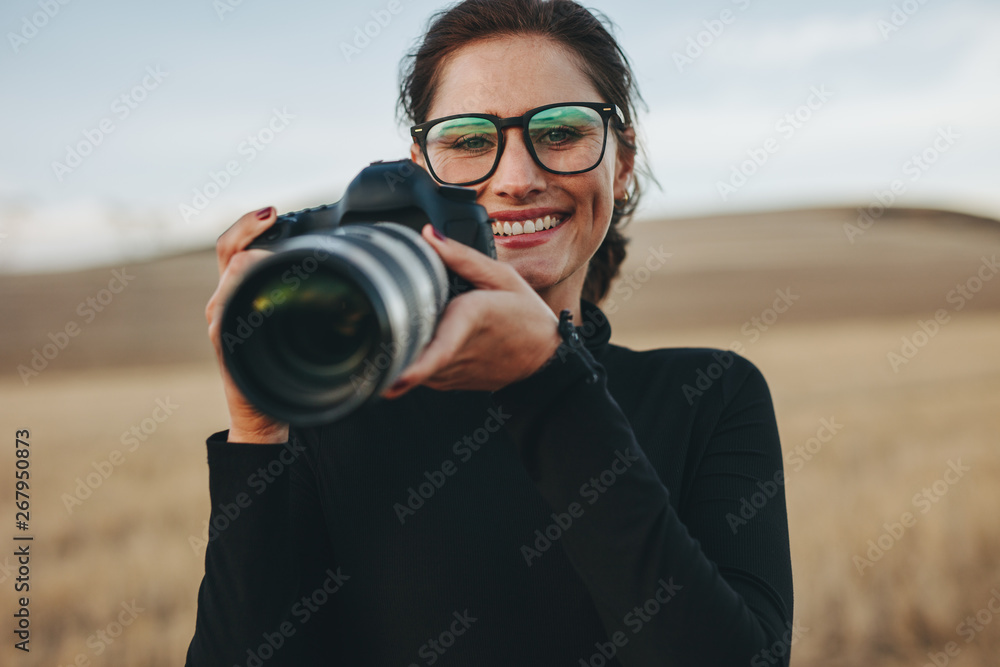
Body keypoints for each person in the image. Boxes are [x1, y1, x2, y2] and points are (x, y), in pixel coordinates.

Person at [187, 0, 794, 664]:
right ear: (421, 173)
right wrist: (259, 423)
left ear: (620, 166)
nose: (517, 179)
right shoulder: (333, 404)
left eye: (561, 131)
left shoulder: (708, 396)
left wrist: (548, 382)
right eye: (471, 140)